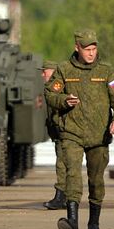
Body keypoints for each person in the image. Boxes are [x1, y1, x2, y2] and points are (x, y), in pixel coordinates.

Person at [45, 28, 114, 229]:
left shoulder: (106, 71)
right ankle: (72, 221)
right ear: (77, 48)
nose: (91, 53)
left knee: (96, 180)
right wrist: (64, 100)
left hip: (99, 135)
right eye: (87, 49)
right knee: (72, 173)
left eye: (94, 48)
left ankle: (93, 224)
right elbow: (50, 94)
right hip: (72, 132)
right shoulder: (64, 70)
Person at [40, 60, 65, 210]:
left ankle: (61, 197)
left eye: (45, 71)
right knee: (63, 164)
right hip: (58, 131)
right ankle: (65, 198)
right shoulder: (51, 87)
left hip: (64, 131)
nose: (42, 75)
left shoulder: (58, 86)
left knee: (62, 164)